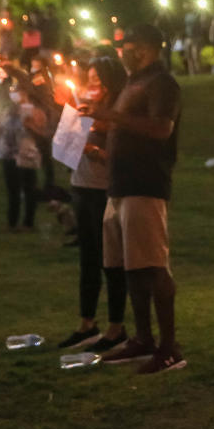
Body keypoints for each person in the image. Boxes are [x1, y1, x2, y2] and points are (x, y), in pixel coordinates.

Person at [83, 24, 186, 373]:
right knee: (128, 265)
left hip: (146, 183)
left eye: (129, 44)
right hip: (120, 184)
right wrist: (101, 151)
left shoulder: (162, 83)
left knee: (153, 265)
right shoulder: (132, 82)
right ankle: (143, 338)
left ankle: (170, 347)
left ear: (147, 47)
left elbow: (160, 129)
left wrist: (109, 116)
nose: (123, 50)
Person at [56, 57, 130, 353]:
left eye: (98, 79)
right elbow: (63, 148)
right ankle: (87, 323)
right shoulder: (82, 106)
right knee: (87, 259)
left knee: (110, 260)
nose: (92, 84)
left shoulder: (119, 112)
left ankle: (116, 327)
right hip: (80, 187)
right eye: (89, 77)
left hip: (104, 191)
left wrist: (96, 151)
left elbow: (122, 154)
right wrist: (70, 136)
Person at [0, 81, 45, 232]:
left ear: (26, 92)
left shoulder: (36, 111)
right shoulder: (7, 111)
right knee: (12, 190)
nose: (15, 94)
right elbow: (0, 129)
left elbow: (44, 135)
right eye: (13, 90)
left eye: (18, 90)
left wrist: (31, 126)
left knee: (29, 189)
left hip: (27, 154)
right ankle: (12, 222)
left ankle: (28, 223)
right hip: (8, 154)